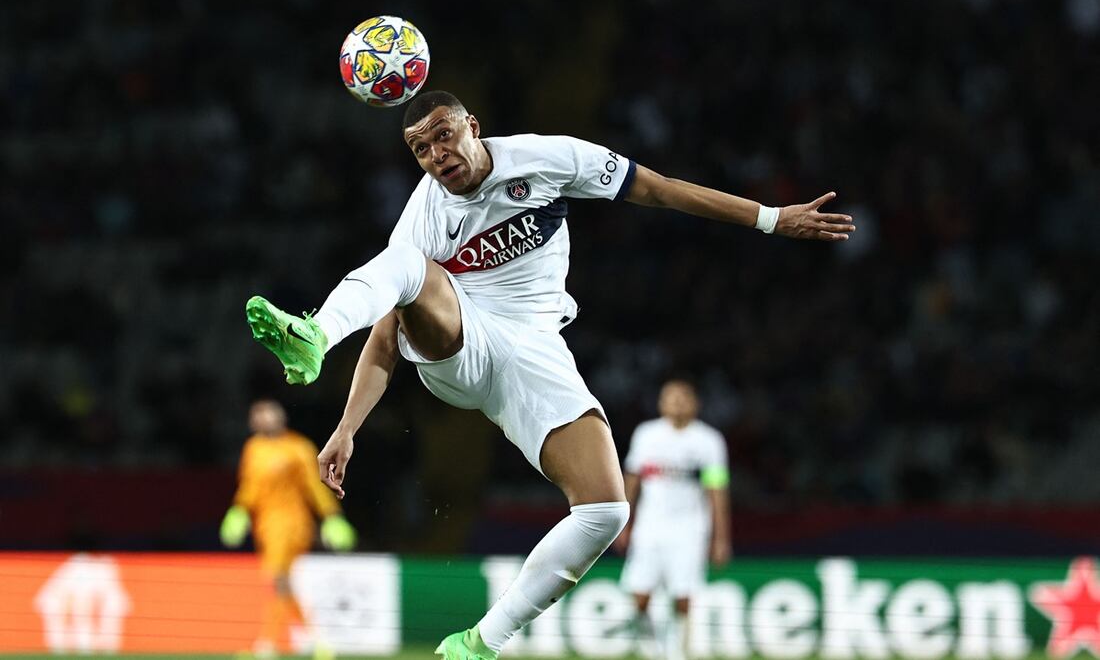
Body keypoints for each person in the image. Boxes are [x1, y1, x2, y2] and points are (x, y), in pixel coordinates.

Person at [243, 90, 853, 660]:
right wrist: (348, 426)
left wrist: (772, 219)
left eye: (444, 136)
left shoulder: (549, 158)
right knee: (403, 262)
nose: (436, 156)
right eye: (420, 149)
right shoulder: (423, 213)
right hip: (463, 341)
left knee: (606, 512)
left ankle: (481, 641)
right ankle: (314, 336)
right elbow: (386, 333)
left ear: (472, 126)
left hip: (534, 351)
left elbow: (660, 189)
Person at [220, 399, 357, 659]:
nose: (263, 419)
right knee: (283, 585)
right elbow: (249, 486)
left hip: (292, 525)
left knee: (280, 582)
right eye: (258, 414)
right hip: (266, 528)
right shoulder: (253, 449)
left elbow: (314, 487)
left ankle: (267, 646)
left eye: (268, 413)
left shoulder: (298, 447)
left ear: (281, 418)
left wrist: (331, 516)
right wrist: (238, 511)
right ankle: (317, 642)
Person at [613, 379, 731, 660]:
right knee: (639, 596)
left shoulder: (709, 441)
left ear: (695, 404)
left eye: (683, 397)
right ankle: (654, 650)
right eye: (670, 397)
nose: (677, 402)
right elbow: (632, 480)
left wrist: (721, 538)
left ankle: (677, 654)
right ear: (661, 403)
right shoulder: (646, 435)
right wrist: (623, 524)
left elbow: (717, 491)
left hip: (689, 529)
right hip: (650, 527)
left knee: (684, 596)